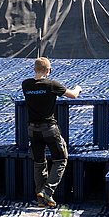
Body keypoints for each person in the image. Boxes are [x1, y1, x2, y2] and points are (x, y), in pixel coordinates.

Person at [21, 57, 81, 208]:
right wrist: (78, 88)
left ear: (34, 69)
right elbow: (73, 95)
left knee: (39, 162)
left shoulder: (26, 84)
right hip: (49, 129)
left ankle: (41, 198)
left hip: (32, 130)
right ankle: (48, 191)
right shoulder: (52, 85)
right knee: (61, 159)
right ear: (48, 70)